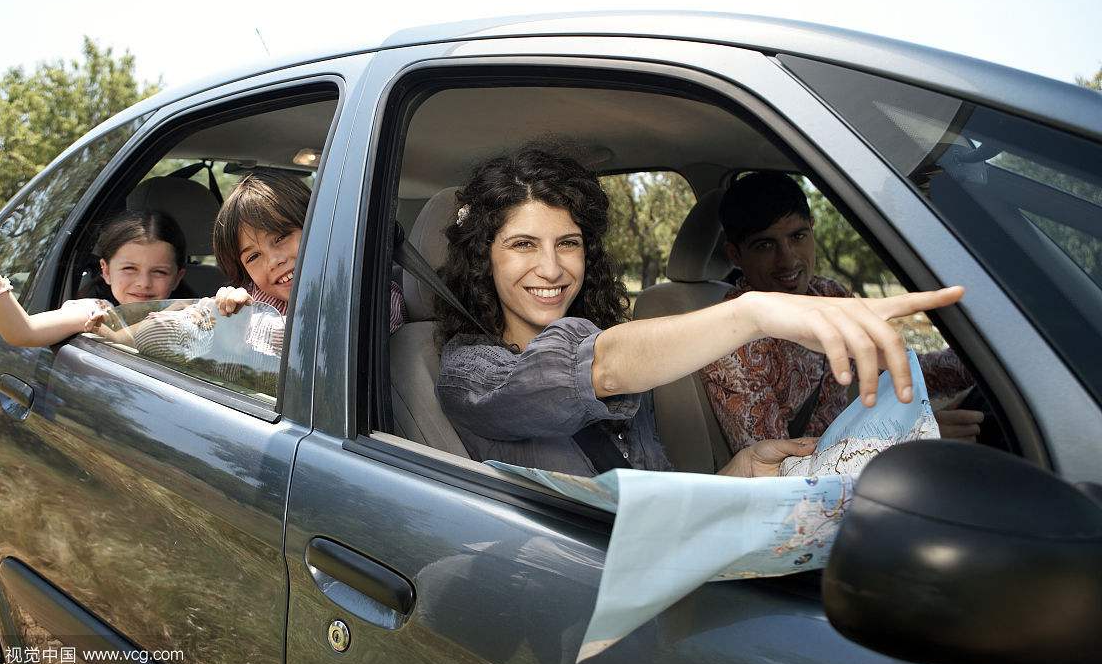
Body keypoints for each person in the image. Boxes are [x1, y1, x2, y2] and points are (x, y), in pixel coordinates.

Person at [434, 146, 965, 479]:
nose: (550, 269)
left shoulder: (622, 362)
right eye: (523, 245)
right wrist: (752, 313)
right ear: (484, 257)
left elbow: (655, 495)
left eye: (567, 243)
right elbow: (597, 366)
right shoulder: (469, 375)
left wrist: (737, 475)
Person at [701, 171, 981, 453]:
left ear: (812, 228)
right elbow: (777, 470)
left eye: (797, 236)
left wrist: (980, 360)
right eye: (765, 245)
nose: (788, 260)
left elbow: (894, 369)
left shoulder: (829, 294)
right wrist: (909, 440)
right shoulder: (733, 342)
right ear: (735, 255)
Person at [127, 169, 406, 393]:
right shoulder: (251, 297)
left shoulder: (373, 294)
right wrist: (208, 314)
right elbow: (153, 336)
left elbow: (320, 341)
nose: (273, 261)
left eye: (281, 237)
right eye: (253, 257)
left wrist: (234, 332)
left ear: (319, 224)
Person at [0, 210, 188, 347]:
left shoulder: (192, 313)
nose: (143, 283)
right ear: (105, 270)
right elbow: (23, 332)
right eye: (129, 269)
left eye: (159, 272)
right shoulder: (96, 312)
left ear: (178, 278)